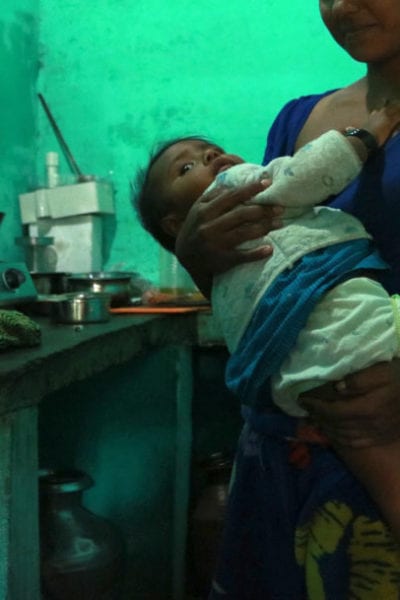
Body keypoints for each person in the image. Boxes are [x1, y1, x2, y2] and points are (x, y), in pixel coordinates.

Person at [167, 1, 400, 597]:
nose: (341, 6)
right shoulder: (300, 122)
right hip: (289, 461)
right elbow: (262, 296)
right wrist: (197, 253)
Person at [134, 102, 400, 550]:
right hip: (354, 345)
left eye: (212, 150)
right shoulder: (241, 185)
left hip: (312, 380)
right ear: (179, 224)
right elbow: (309, 175)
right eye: (188, 168)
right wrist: (369, 132)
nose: (212, 159)